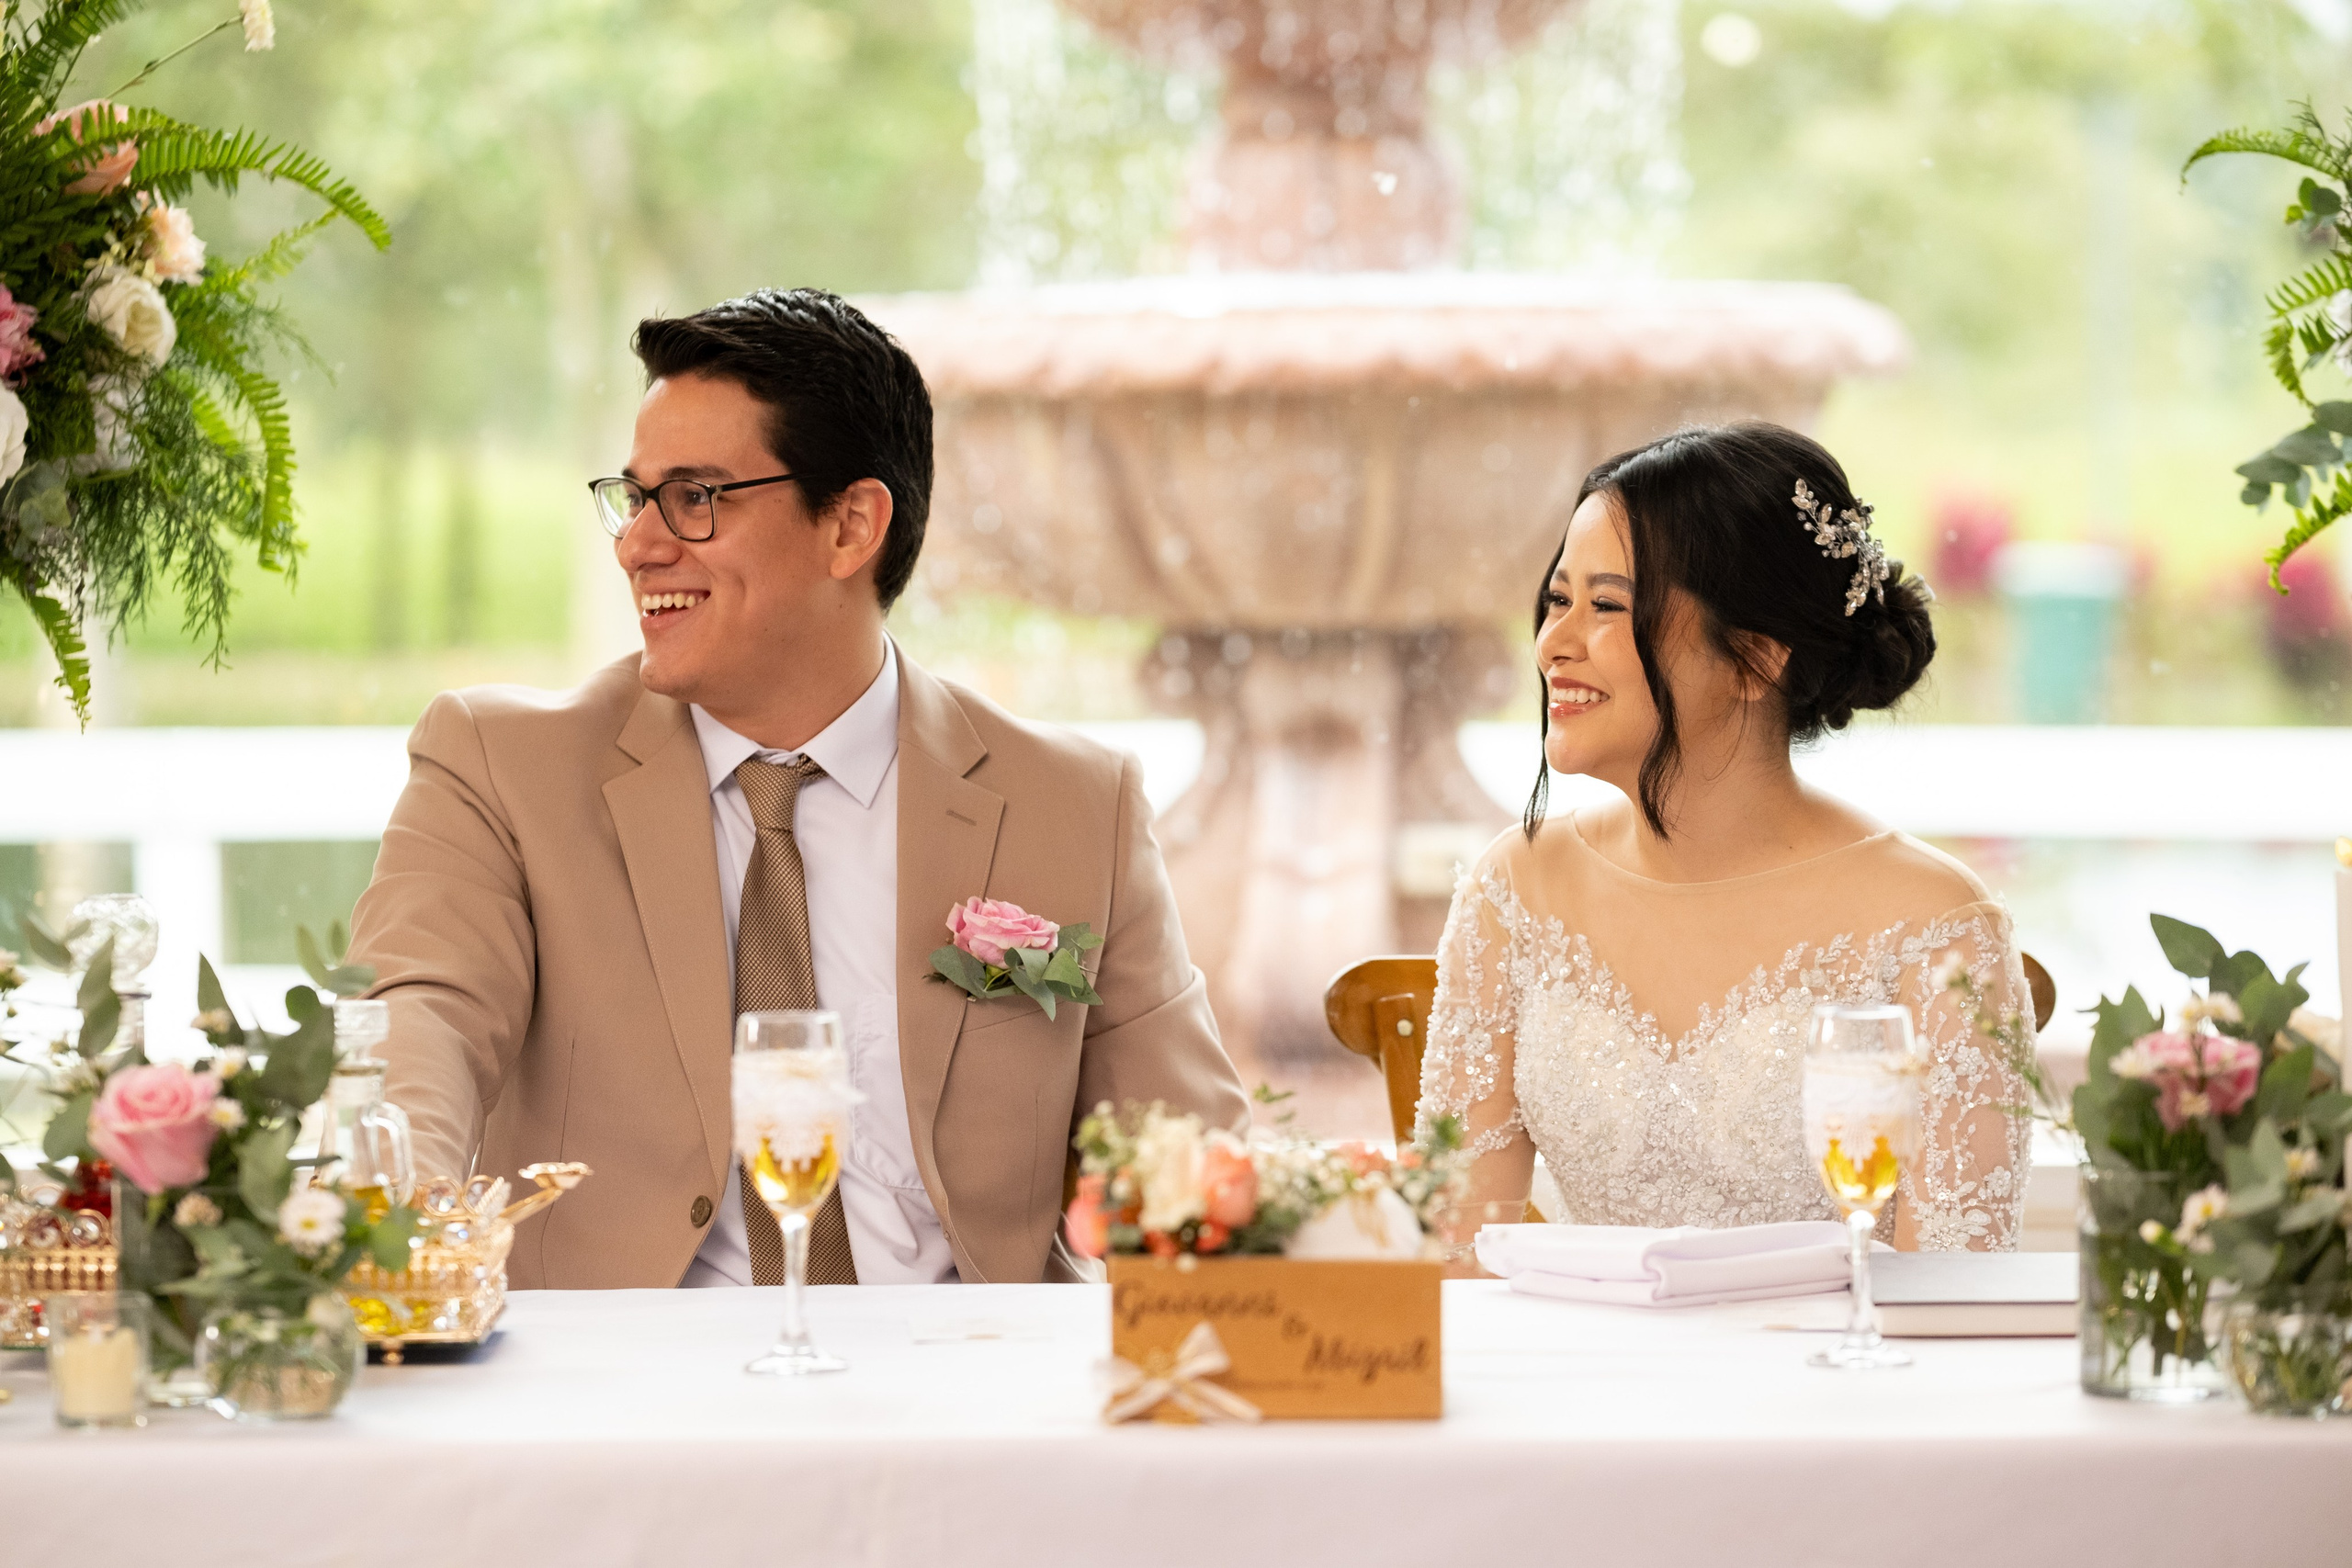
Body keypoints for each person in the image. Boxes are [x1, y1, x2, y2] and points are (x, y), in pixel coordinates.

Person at [348, 288, 1245, 1289]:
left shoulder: (1074, 804)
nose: (639, 545)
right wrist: (394, 1231)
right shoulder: (497, 769)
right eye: (635, 497)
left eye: (696, 498)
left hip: (971, 1401)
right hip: (627, 1413)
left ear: (851, 526)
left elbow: (1194, 1162)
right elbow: (413, 1024)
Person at [1415, 423, 2030, 1251]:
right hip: (1577, 1375)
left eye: (1607, 606)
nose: (1553, 645)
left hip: (1837, 1374)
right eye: (1559, 599)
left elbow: (1956, 1299)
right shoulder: (1515, 889)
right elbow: (1450, 1260)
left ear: (1753, 658)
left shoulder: (1936, 925)